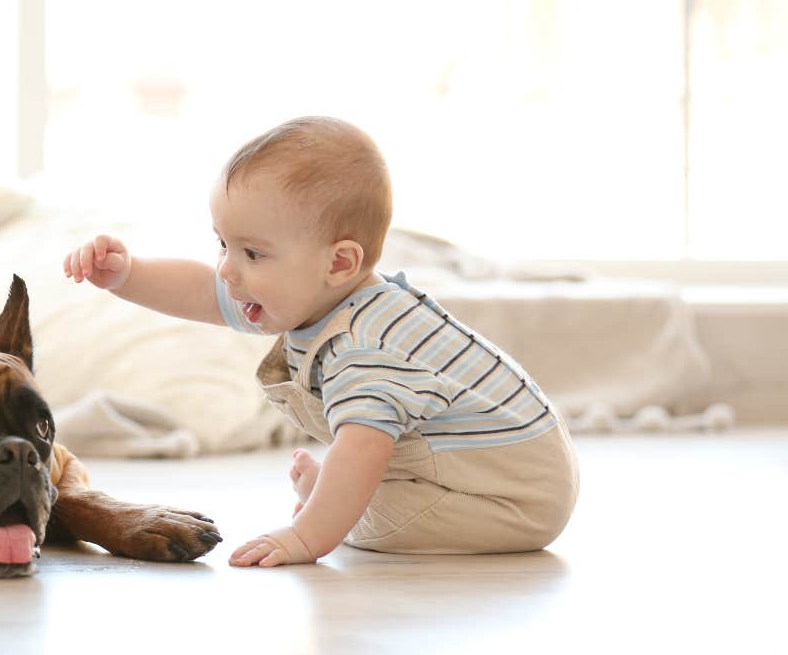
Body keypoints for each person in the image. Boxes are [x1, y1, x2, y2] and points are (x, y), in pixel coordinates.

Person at [62, 116, 579, 567]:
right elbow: (203, 290)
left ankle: (326, 500)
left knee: (367, 520)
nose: (227, 268)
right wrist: (126, 275)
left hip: (510, 498)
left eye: (252, 253)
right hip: (492, 469)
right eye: (224, 244)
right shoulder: (318, 293)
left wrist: (305, 535)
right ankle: (329, 495)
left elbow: (362, 452)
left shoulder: (363, 348)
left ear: (339, 263)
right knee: (350, 485)